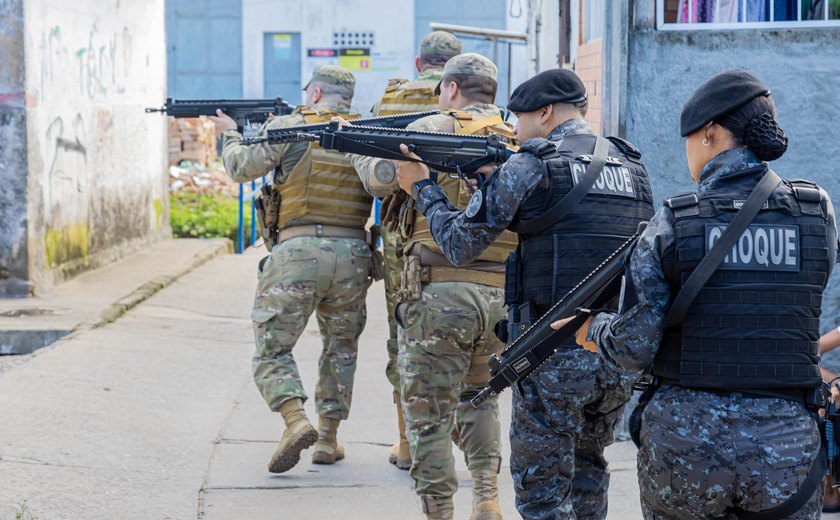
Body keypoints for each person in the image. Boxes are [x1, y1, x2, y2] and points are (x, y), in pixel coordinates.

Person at [559, 70, 837, 519]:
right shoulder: (816, 210)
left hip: (686, 448)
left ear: (709, 132)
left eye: (688, 138)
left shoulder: (674, 221)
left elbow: (633, 347)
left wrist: (593, 329)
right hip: (787, 448)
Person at [395, 68, 655, 519]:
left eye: (519, 118)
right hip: (611, 355)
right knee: (589, 469)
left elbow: (459, 244)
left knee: (542, 495)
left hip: (551, 352)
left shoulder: (533, 163)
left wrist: (422, 187)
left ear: (546, 112)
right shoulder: (631, 165)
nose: (514, 129)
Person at [349, 52, 517, 520]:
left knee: (429, 415)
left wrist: (362, 144)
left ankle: (440, 510)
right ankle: (487, 496)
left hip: (439, 291)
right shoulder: (517, 138)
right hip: (502, 297)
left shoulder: (431, 128)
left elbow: (381, 179)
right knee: (480, 398)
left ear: (450, 88)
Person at [210, 65, 375, 473]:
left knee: (273, 346)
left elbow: (240, 167)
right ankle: (328, 439)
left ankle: (295, 420)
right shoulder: (368, 132)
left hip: (298, 252)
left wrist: (229, 134)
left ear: (315, 93)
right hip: (353, 254)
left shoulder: (291, 126)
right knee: (341, 347)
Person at [354, 30, 462, 471]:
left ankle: (407, 443)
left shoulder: (388, 103)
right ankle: (470, 446)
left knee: (404, 337)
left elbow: (375, 180)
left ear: (420, 63)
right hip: (466, 234)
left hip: (404, 238)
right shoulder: (475, 104)